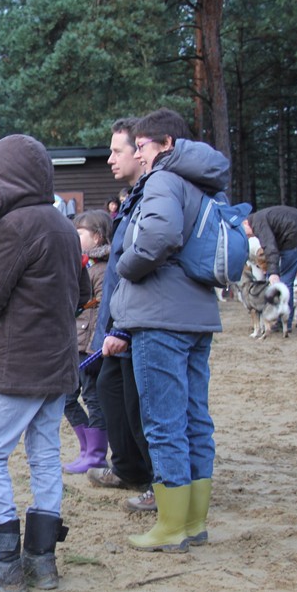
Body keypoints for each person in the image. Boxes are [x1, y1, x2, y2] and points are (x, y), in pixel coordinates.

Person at [0, 134, 83, 592]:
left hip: (20, 364)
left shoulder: (16, 226)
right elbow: (82, 292)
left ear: (14, 179)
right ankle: (42, 564)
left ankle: (2, 563)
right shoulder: (63, 225)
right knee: (44, 456)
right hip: (57, 364)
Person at [110, 108, 227, 553]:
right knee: (195, 419)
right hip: (196, 314)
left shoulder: (161, 180)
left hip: (160, 317)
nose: (137, 154)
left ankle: (171, 526)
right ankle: (193, 521)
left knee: (163, 422)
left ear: (165, 146)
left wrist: (125, 265)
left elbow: (158, 237)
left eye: (141, 146)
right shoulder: (200, 184)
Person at [86, 118, 157, 512]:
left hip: (135, 322)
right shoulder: (133, 195)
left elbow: (143, 263)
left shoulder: (153, 196)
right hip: (118, 319)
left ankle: (155, 481)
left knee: (139, 407)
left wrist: (125, 328)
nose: (111, 158)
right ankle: (127, 467)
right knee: (110, 392)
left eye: (118, 150)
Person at [63, 209, 112, 475]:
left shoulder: (103, 270)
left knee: (93, 399)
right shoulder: (82, 265)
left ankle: (96, 454)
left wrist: (95, 346)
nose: (74, 236)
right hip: (75, 344)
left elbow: (102, 310)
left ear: (96, 237)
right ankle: (85, 449)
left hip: (90, 349)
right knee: (68, 399)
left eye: (79, 233)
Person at [242, 205, 297, 331]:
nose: (249, 237)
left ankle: (283, 322)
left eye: (245, 233)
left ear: (245, 222)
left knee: (285, 282)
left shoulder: (257, 221)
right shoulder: (265, 215)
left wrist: (273, 272)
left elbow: (269, 247)